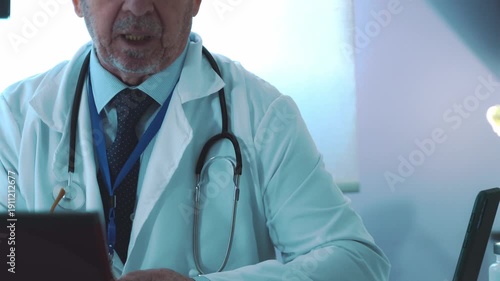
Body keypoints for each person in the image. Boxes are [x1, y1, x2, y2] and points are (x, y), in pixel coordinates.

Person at [0, 0, 390, 280]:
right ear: (76, 1)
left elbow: (357, 262)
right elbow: (8, 259)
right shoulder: (15, 119)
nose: (137, 8)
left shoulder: (262, 115)